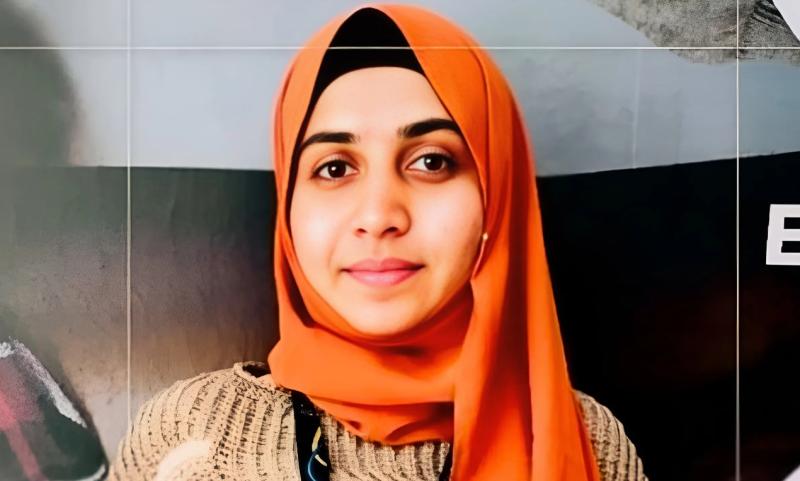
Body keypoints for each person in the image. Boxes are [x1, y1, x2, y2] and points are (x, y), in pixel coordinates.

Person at [108, 4, 647, 481]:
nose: (378, 216)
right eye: (335, 168)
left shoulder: (588, 441)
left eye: (431, 161)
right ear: (288, 210)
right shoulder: (190, 435)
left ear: (497, 195)